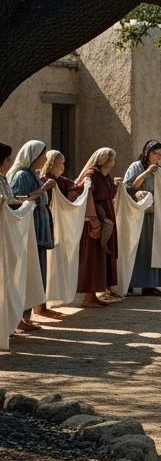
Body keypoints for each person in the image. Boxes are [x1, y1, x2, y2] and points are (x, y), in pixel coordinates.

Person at [8, 141, 60, 329]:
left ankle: (27, 316)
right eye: (41, 157)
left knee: (36, 270)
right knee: (28, 270)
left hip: (39, 228)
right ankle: (20, 318)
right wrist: (44, 189)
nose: (44, 160)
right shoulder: (22, 176)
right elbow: (19, 201)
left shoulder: (33, 175)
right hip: (30, 228)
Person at [122, 140, 161, 296]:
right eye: (155, 153)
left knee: (152, 251)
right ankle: (130, 283)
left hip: (154, 216)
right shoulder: (136, 167)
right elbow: (129, 187)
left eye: (160, 155)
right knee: (138, 250)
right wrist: (146, 172)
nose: (158, 157)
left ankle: (150, 284)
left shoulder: (159, 170)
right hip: (139, 215)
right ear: (147, 153)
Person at [75, 148, 120, 308]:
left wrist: (114, 185)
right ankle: (88, 297)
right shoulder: (92, 174)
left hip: (106, 216)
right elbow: (87, 195)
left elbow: (109, 195)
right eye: (112, 159)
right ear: (105, 160)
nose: (113, 162)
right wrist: (93, 219)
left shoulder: (105, 176)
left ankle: (94, 295)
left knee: (101, 256)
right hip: (96, 218)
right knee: (92, 256)